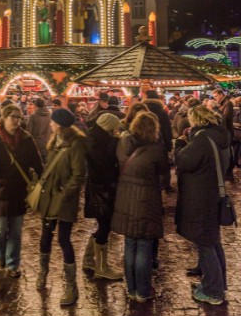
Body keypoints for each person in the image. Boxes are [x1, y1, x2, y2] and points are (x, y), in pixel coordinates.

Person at [174, 104, 231, 305]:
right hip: (213, 194)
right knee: (213, 241)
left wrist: (179, 144)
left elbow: (184, 161)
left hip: (201, 197)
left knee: (205, 243)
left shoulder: (202, 139)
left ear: (196, 119)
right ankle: (216, 284)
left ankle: (214, 292)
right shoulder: (220, 136)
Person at [34, 108, 87, 306]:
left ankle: (71, 286)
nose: (50, 124)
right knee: (45, 237)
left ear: (59, 124)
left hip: (64, 200)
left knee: (64, 239)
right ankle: (43, 272)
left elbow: (78, 174)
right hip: (49, 198)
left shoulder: (75, 144)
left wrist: (64, 193)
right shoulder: (54, 142)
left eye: (53, 121)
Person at [112, 111, 167, 302]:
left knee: (130, 244)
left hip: (125, 197)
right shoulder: (156, 149)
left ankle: (131, 288)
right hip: (146, 200)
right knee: (144, 245)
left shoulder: (123, 144)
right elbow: (163, 178)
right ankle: (143, 291)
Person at [0, 103, 43, 278]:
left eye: (19, 117)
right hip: (1, 191)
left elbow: (37, 162)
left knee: (16, 231)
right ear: (4, 118)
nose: (17, 121)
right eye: (13, 117)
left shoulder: (26, 139)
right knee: (0, 229)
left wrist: (42, 180)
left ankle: (13, 264)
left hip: (19, 191)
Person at [81, 112, 124, 281]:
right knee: (105, 226)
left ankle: (88, 260)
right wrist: (115, 142)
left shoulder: (94, 139)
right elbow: (105, 166)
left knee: (103, 225)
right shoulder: (100, 143)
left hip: (98, 189)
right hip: (102, 191)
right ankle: (101, 267)